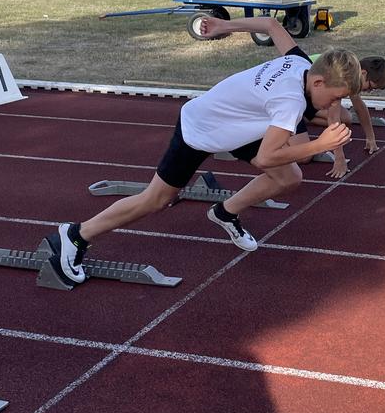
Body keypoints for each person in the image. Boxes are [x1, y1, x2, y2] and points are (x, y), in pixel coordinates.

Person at [45, 16, 360, 286]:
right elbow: (266, 158)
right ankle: (76, 234)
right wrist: (321, 144)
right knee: (156, 200)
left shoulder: (300, 63)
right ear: (318, 82)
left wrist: (225, 24)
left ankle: (225, 212)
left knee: (289, 177)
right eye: (336, 97)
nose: (336, 105)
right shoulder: (289, 103)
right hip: (200, 130)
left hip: (237, 125)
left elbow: (270, 24)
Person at [294, 56, 385, 178]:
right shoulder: (341, 78)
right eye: (370, 87)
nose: (369, 91)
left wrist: (370, 137)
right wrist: (339, 159)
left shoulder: (353, 74)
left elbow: (360, 107)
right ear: (363, 73)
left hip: (311, 94)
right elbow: (333, 119)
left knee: (346, 118)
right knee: (304, 157)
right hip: (299, 94)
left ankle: (305, 116)